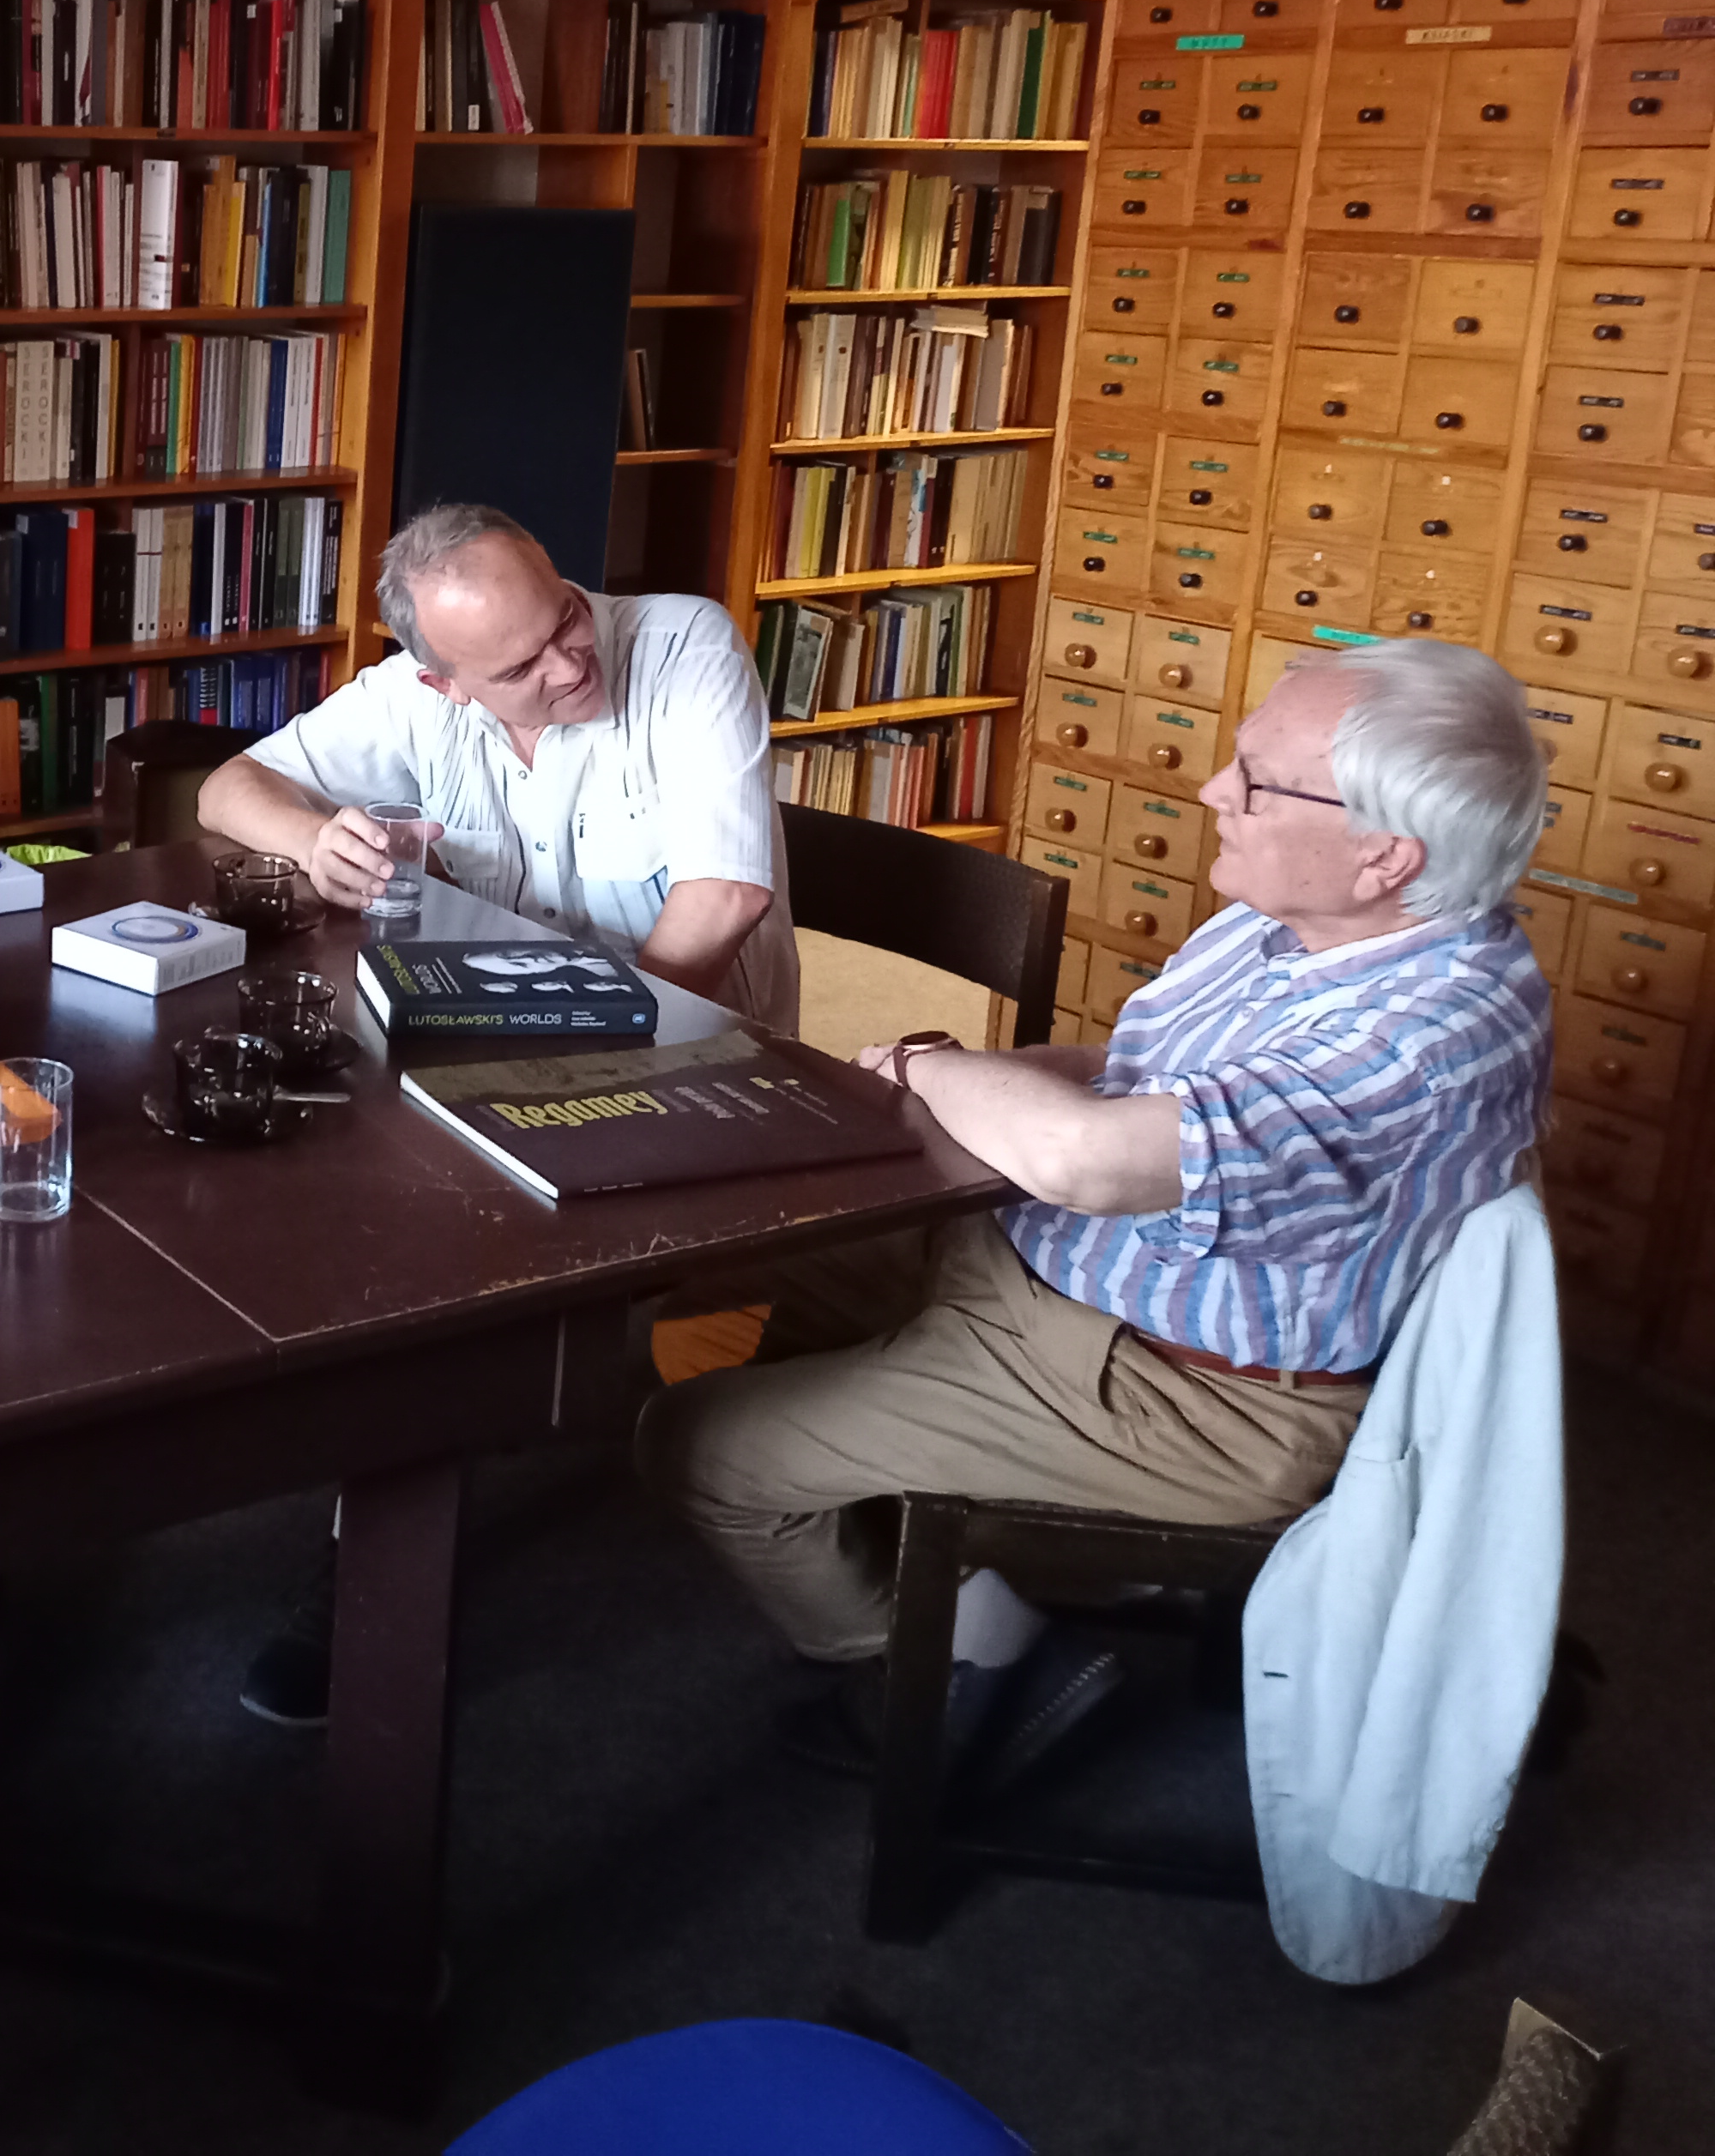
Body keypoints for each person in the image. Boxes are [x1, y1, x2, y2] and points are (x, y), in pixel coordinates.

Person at [633, 638, 1551, 1780]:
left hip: (1182, 1393)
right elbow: (1129, 1071)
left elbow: (1090, 1155)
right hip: (1055, 1269)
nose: (1218, 793)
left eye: (1256, 781)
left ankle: (967, 1660)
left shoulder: (1423, 1036)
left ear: (1384, 854)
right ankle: (926, 1542)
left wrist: (926, 1070)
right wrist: (976, 1081)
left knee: (701, 1449)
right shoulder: (1295, 928)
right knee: (742, 1260)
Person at [196, 502, 798, 1032]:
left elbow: (727, 897)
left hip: (694, 1047)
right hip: (504, 1036)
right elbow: (226, 790)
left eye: (565, 619)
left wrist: (608, 1043)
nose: (567, 667)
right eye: (520, 669)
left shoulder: (689, 646)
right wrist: (315, 841)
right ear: (445, 684)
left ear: (545, 562)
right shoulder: (409, 694)